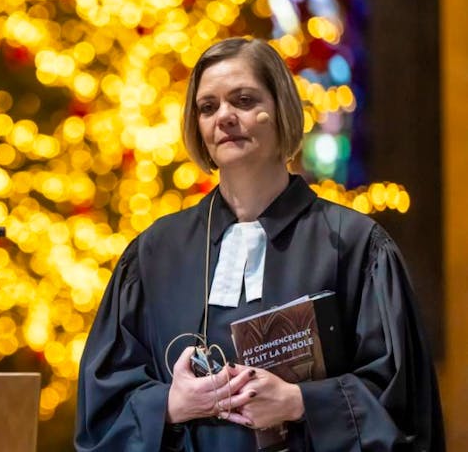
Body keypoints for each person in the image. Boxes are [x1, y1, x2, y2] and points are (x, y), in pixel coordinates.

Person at [75, 38, 443, 450]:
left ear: (281, 110)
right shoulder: (154, 254)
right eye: (208, 107)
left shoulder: (355, 246)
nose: (225, 117)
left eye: (244, 100)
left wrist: (301, 402)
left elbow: (404, 408)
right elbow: (102, 408)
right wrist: (171, 404)